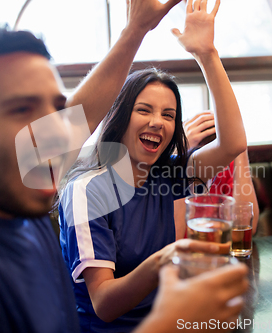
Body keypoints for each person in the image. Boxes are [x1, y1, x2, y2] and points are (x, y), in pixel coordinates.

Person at [0, 1, 248, 332]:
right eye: (21, 110)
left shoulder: (23, 205)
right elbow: (104, 304)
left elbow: (81, 114)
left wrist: (139, 31)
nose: (56, 131)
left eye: (55, 111)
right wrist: (169, 318)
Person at [58, 0, 248, 331]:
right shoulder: (87, 189)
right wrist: (164, 259)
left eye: (169, 115)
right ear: (119, 117)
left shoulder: (173, 174)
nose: (158, 122)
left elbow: (232, 144)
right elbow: (103, 303)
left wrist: (207, 54)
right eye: (144, 110)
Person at [174, 111, 259, 239]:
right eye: (198, 151)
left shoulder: (226, 168)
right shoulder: (173, 169)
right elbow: (172, 238)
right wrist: (178, 152)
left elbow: (243, 227)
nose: (208, 159)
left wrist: (239, 148)